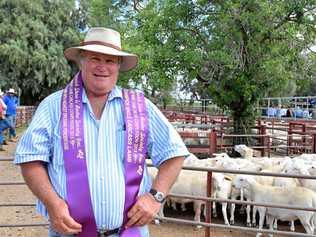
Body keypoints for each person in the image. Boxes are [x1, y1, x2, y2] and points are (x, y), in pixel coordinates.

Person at [14, 27, 189, 237]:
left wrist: (155, 197)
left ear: (119, 66)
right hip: (70, 233)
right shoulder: (53, 106)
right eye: (95, 58)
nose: (102, 67)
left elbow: (174, 152)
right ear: (81, 61)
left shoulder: (140, 106)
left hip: (130, 232)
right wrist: (52, 203)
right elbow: (30, 159)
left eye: (110, 60)